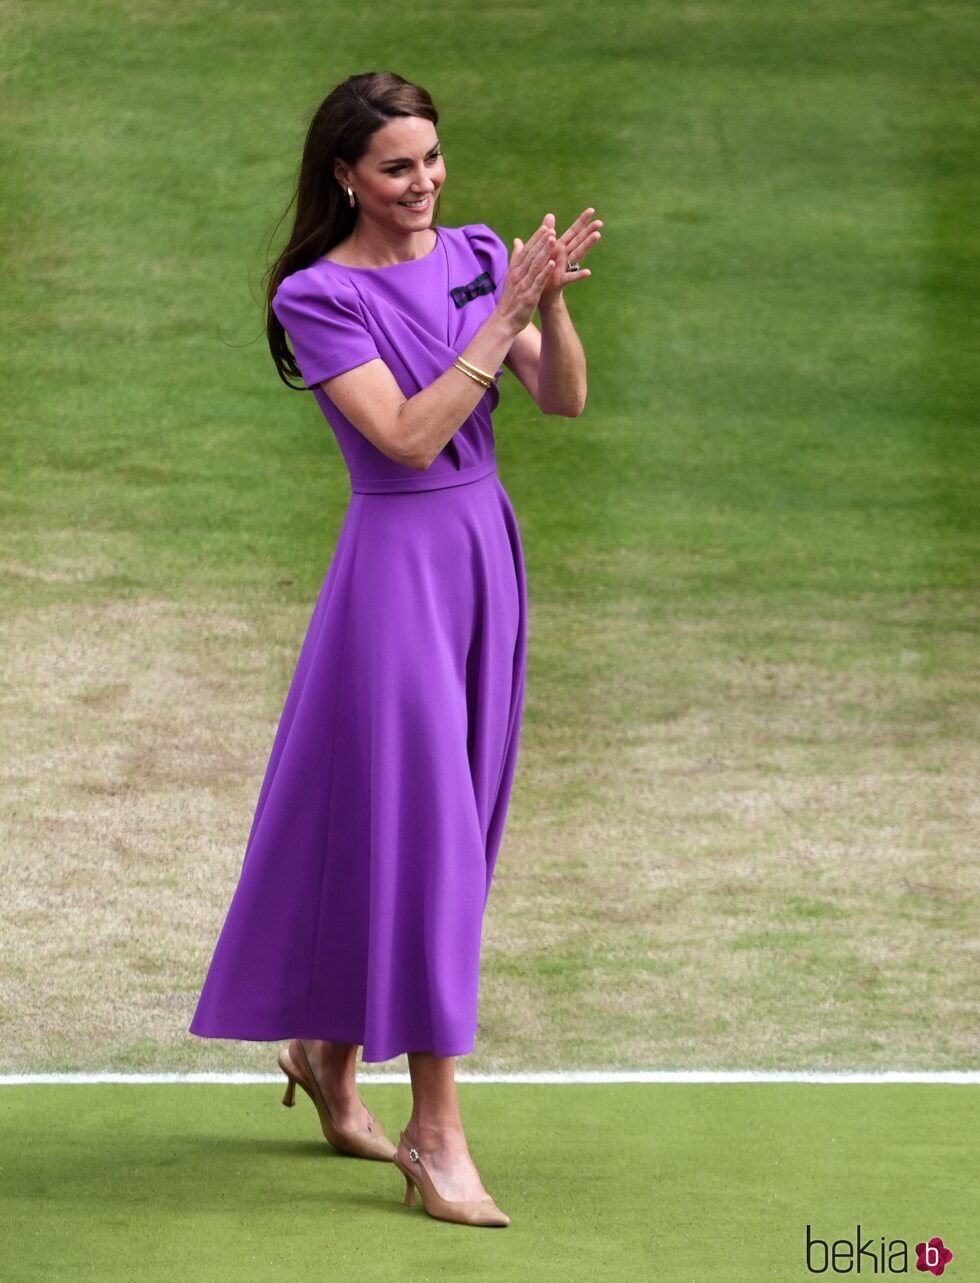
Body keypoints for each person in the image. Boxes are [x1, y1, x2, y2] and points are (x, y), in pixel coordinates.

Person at [187, 70, 600, 1228]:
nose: (422, 185)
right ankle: (434, 1129)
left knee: (451, 826)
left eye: (430, 160)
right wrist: (500, 315)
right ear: (343, 177)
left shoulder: (475, 253)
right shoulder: (314, 296)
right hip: (396, 576)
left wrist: (546, 304)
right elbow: (410, 439)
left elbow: (561, 404)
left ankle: (326, 1051)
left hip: (483, 558)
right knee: (429, 848)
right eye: (394, 167)